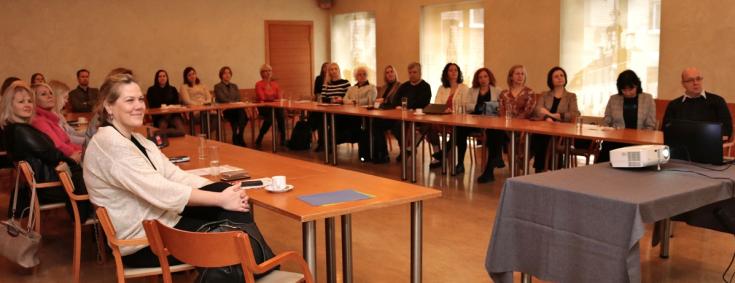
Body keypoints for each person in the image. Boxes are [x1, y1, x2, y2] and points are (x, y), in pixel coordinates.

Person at [83, 73, 255, 268]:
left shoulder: (136, 140)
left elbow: (173, 175)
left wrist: (221, 190)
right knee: (229, 238)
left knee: (229, 201)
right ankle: (256, 268)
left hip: (161, 222)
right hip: (144, 243)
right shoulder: (109, 145)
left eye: (140, 99)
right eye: (129, 100)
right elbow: (161, 190)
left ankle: (254, 267)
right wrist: (220, 198)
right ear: (108, 106)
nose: (139, 106)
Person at [0, 81, 90, 221]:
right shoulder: (19, 130)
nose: (27, 104)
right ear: (10, 105)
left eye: (30, 101)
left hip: (50, 182)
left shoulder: (18, 128)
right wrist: (73, 159)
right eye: (21, 101)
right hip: (51, 186)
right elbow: (52, 154)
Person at [482, 65, 536, 181]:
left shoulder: (530, 92)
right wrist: (507, 123)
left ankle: (491, 165)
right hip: (505, 127)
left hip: (522, 128)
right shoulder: (504, 93)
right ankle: (492, 165)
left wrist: (513, 123)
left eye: (522, 74)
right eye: (517, 73)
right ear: (511, 77)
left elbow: (528, 112)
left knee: (497, 133)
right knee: (492, 130)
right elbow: (501, 112)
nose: (520, 76)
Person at [597, 69, 656, 163]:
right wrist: (607, 128)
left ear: (637, 85)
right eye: (624, 90)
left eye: (631, 89)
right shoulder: (614, 99)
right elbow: (607, 120)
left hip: (638, 142)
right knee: (605, 156)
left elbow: (651, 125)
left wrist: (640, 138)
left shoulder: (647, 99)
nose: (628, 93)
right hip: (616, 140)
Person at [529, 66, 581, 173]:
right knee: (539, 134)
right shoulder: (545, 95)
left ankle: (536, 164)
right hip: (545, 127)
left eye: (562, 75)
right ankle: (541, 168)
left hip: (562, 131)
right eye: (556, 76)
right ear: (551, 80)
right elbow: (537, 110)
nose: (560, 78)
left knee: (541, 137)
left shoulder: (571, 96)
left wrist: (554, 115)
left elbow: (574, 113)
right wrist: (548, 118)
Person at [662, 67, 732, 140]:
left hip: (709, 146)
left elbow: (727, 130)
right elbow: (665, 131)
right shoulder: (674, 105)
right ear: (683, 84)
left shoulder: (718, 101)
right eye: (690, 80)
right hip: (681, 146)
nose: (695, 83)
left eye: (698, 79)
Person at [454, 68, 501, 175]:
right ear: (477, 79)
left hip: (490, 122)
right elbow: (467, 105)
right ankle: (460, 163)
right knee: (460, 128)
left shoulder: (497, 90)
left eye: (485, 76)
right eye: (480, 77)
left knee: (493, 133)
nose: (483, 79)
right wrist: (478, 107)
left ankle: (491, 164)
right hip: (474, 121)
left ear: (489, 78)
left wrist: (487, 107)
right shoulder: (472, 90)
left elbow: (499, 106)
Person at [428, 63, 470, 169]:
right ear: (446, 73)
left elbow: (465, 106)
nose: (454, 72)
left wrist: (453, 111)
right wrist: (444, 110)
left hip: (458, 120)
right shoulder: (442, 88)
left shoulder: (464, 88)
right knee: (429, 127)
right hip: (443, 118)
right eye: (451, 70)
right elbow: (437, 104)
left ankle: (443, 154)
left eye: (456, 70)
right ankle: (438, 153)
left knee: (459, 130)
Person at [31, 83, 84, 163]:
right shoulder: (39, 121)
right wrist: (83, 152)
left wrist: (84, 149)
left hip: (72, 157)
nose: (50, 96)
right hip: (69, 162)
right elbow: (59, 147)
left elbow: (67, 142)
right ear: (34, 99)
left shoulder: (50, 118)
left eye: (51, 93)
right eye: (43, 94)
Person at [391, 62, 432, 161]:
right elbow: (395, 100)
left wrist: (408, 107)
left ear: (420, 73)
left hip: (418, 116)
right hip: (403, 115)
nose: (412, 75)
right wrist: (398, 106)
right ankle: (405, 149)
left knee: (401, 125)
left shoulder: (425, 86)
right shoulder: (404, 86)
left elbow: (423, 103)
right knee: (394, 125)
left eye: (414, 72)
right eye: (410, 72)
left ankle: (408, 148)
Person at [312, 63, 350, 152]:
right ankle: (322, 143)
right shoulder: (326, 84)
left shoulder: (345, 82)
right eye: (331, 69)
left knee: (326, 119)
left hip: (341, 111)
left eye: (335, 69)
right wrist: (331, 100)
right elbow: (323, 98)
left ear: (338, 70)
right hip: (328, 109)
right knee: (319, 118)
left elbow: (349, 97)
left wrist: (341, 99)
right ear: (328, 72)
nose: (333, 71)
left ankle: (328, 143)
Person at [345, 67, 377, 162]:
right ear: (356, 77)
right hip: (352, 114)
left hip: (366, 116)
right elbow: (344, 100)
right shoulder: (351, 88)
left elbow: (370, 100)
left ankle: (365, 152)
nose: (362, 76)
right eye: (359, 74)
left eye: (364, 74)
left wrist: (353, 101)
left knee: (362, 127)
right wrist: (353, 102)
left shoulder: (372, 87)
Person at [214, 66, 249, 147]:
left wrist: (234, 102)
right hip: (226, 110)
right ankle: (239, 137)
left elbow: (238, 97)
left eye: (229, 73)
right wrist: (233, 102)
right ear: (221, 75)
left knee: (243, 115)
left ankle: (238, 136)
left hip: (236, 108)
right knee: (239, 115)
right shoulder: (218, 86)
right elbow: (221, 98)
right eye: (225, 73)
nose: (227, 75)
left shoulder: (234, 86)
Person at [254, 64, 286, 147]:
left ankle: (283, 138)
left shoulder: (275, 84)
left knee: (280, 113)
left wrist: (275, 96)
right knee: (271, 116)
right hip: (264, 107)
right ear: (261, 73)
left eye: (269, 71)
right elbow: (262, 97)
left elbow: (279, 97)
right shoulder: (259, 84)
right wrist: (272, 96)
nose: (268, 73)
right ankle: (260, 137)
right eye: (266, 71)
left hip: (274, 107)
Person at [48, 80, 86, 145]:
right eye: (65, 97)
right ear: (56, 97)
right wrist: (89, 140)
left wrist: (91, 133)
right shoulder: (51, 117)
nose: (67, 101)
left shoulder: (59, 114)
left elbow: (73, 132)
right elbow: (68, 139)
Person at [179, 66, 212, 134]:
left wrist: (204, 104)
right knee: (207, 116)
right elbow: (187, 101)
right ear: (186, 77)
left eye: (193, 74)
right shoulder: (184, 87)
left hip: (205, 109)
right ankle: (203, 137)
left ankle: (204, 136)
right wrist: (200, 104)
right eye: (189, 75)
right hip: (193, 112)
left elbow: (209, 98)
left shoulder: (202, 85)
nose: (192, 76)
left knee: (216, 117)